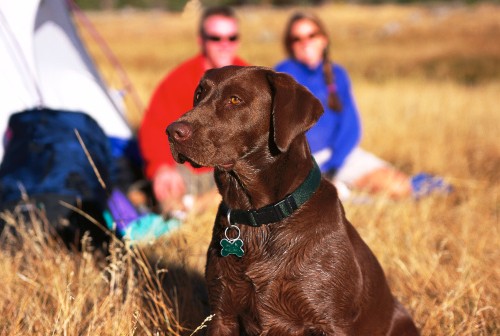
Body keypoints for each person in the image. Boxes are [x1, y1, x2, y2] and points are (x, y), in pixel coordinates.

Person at [275, 12, 451, 199]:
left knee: (400, 188)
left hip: (342, 157)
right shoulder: (283, 76)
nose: (305, 42)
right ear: (290, 45)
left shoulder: (337, 74)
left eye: (312, 35)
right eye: (297, 38)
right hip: (307, 163)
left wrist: (333, 166)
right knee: (328, 201)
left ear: (323, 39)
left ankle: (351, 192)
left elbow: (351, 126)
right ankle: (347, 196)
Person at [139, 6, 249, 211]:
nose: (224, 45)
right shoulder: (178, 80)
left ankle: (191, 210)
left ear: (238, 41)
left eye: (231, 38)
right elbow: (154, 127)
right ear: (202, 40)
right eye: (216, 38)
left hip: (231, 172)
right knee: (167, 185)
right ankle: (181, 213)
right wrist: (162, 166)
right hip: (188, 173)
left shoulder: (249, 81)